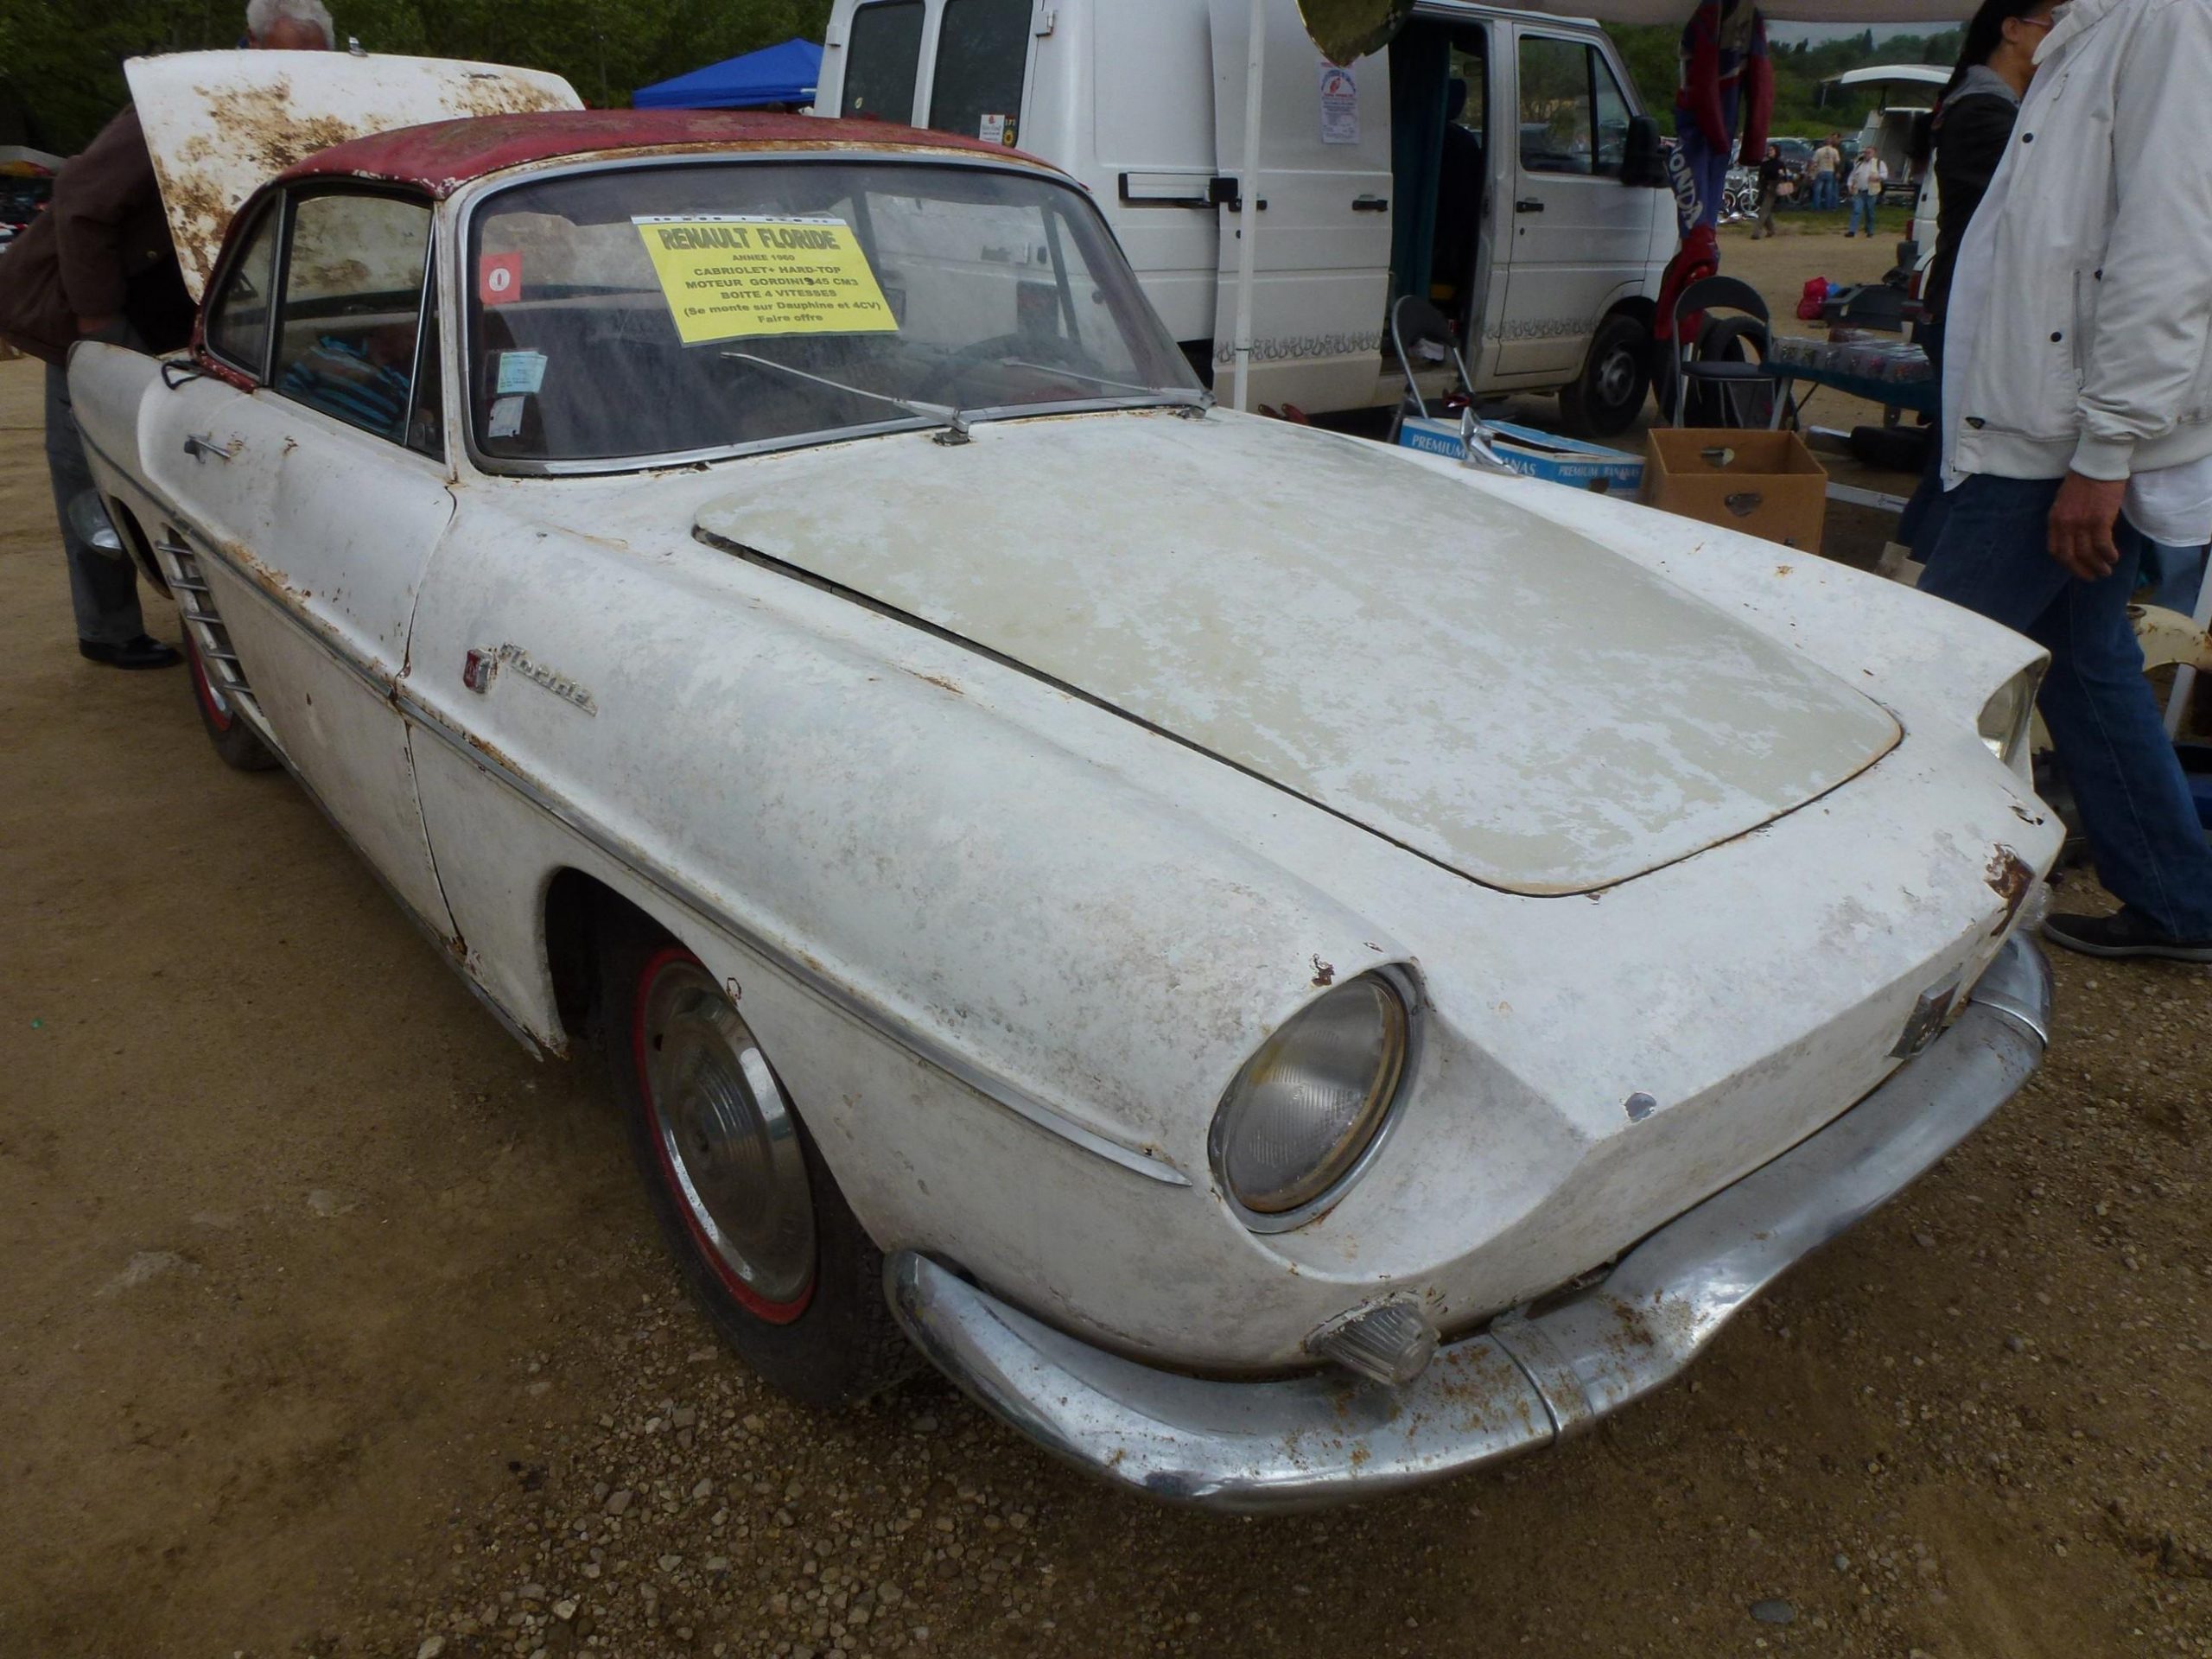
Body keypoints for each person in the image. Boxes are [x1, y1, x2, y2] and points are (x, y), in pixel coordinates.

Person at [1919, 0, 2212, 961]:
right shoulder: (2096, 29)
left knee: (1922, 675)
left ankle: (1888, 915)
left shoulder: (2162, 22)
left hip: (2056, 439)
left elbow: (2170, 251)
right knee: (2088, 667)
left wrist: (2105, 451)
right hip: (2046, 422)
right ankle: (2178, 899)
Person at [0, 0, 333, 671]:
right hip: (94, 305)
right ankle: (108, 628)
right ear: (250, 46)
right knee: (89, 456)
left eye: (310, 63)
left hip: (181, 307)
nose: (295, 76)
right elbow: (81, 199)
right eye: (284, 59)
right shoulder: (181, 100)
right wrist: (99, 330)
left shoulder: (296, 109)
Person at [1897, 0, 2056, 557]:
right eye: (2053, 25)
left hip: (1968, 300)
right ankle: (1921, 586)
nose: (2062, 38)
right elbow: (2040, 200)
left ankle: (1905, 575)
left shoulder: (1991, 105)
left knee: (1951, 460)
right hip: (1973, 306)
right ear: (2012, 30)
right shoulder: (1985, 112)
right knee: (1962, 465)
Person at [1844, 148, 1888, 237]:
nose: (1867, 154)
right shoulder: (1859, 164)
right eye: (1865, 152)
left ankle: (1870, 230)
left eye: (1869, 152)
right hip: (1859, 191)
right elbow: (1852, 175)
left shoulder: (1879, 163)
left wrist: (1877, 177)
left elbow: (1885, 175)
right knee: (1856, 210)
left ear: (1874, 153)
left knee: (1870, 212)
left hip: (1872, 191)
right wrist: (1849, 185)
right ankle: (1852, 231)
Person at [1751, 143, 1784, 238]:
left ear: (1776, 151)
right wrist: (1759, 186)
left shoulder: (1780, 164)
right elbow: (1761, 176)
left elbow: (1783, 178)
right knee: (1766, 210)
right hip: (1764, 188)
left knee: (1763, 211)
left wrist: (1781, 174)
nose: (1770, 152)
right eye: (1769, 150)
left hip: (1773, 189)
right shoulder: (1765, 163)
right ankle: (1771, 229)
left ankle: (1756, 232)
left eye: (1772, 150)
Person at [1809, 133, 1842, 211]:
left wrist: (1811, 171)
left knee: (1818, 190)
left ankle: (1817, 207)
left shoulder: (1819, 151)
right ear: (1831, 143)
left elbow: (1814, 161)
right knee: (1829, 190)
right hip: (1830, 171)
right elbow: (1837, 162)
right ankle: (1828, 207)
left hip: (1821, 171)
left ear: (1824, 143)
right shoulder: (1834, 151)